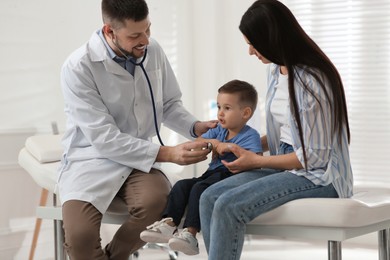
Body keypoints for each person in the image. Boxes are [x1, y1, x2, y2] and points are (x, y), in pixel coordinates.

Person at [57, 0, 217, 259]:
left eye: (148, 30)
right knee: (80, 238)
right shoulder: (79, 67)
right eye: (135, 35)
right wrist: (169, 153)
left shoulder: (152, 50)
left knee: (157, 203)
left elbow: (168, 105)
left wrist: (195, 127)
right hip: (90, 161)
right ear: (109, 31)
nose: (145, 40)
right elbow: (104, 139)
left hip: (138, 162)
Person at [199, 1, 353, 259]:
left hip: (320, 175)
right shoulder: (276, 70)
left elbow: (315, 158)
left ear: (271, 38)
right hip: (287, 160)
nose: (250, 52)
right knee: (208, 197)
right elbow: (286, 132)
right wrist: (243, 146)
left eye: (253, 43)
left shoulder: (312, 81)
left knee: (228, 205)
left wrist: (256, 160)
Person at [139, 79, 263, 255]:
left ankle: (190, 233)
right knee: (182, 185)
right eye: (219, 107)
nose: (220, 113)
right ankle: (168, 224)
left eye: (227, 108)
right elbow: (198, 141)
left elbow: (255, 160)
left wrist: (231, 149)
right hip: (211, 173)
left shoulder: (250, 135)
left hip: (230, 175)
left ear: (246, 113)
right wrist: (213, 143)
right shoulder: (219, 130)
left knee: (199, 188)